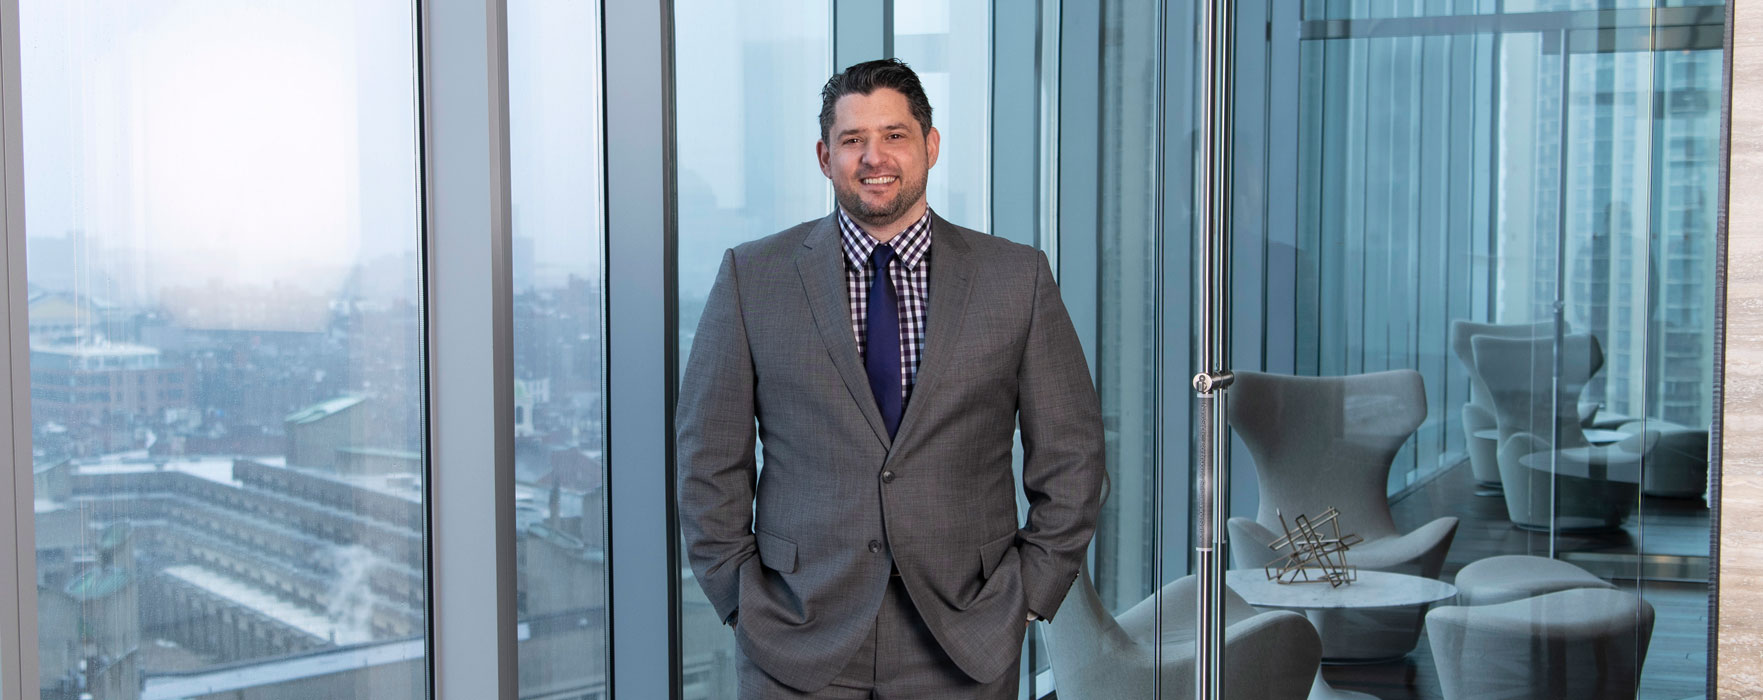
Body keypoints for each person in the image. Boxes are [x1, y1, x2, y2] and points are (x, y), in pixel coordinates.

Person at [677, 58, 1105, 699]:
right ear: (825, 157)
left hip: (967, 633)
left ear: (930, 145)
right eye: (853, 139)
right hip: (794, 631)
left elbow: (1073, 454)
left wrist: (1029, 596)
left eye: (894, 135)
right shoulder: (752, 277)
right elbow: (707, 459)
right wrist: (740, 600)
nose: (874, 157)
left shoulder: (1016, 279)